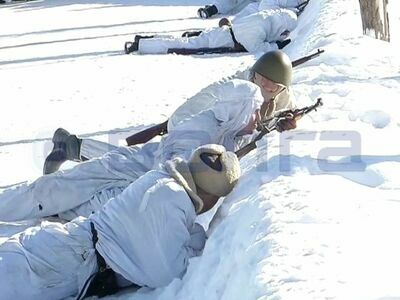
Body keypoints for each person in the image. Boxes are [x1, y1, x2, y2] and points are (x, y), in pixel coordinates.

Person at [0, 79, 263, 222]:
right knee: (48, 192)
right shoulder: (200, 127)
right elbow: (172, 168)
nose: (258, 117)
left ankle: (70, 148)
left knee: (68, 210)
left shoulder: (229, 131)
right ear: (236, 111)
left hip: (133, 185)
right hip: (127, 171)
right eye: (254, 111)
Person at [0, 144, 241, 300]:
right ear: (209, 196)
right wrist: (197, 239)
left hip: (62, 248)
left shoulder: (162, 180)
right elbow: (164, 272)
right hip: (62, 261)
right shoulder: (172, 198)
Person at [124, 8, 296, 55]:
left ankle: (145, 40)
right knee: (180, 44)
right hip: (220, 41)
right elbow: (254, 47)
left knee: (182, 41)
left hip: (221, 33)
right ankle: (141, 45)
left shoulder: (263, 17)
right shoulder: (261, 26)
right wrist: (275, 46)